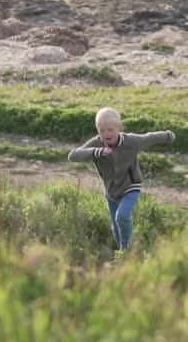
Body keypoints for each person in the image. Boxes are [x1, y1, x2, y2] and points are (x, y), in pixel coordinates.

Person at [68, 107, 175, 251]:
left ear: (119, 127)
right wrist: (96, 152)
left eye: (110, 130)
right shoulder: (97, 143)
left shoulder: (131, 141)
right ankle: (123, 252)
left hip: (130, 187)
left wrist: (167, 135)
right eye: (102, 130)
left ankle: (126, 248)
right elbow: (73, 156)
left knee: (122, 216)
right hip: (111, 192)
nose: (106, 134)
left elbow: (150, 137)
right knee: (115, 226)